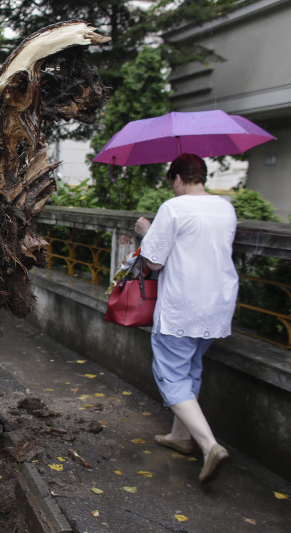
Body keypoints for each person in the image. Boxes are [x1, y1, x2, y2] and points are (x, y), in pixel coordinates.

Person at [134, 153, 238, 484]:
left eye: (173, 183)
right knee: (191, 368)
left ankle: (209, 446)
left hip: (182, 304)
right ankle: (181, 436)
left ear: (178, 178)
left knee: (170, 375)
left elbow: (154, 262)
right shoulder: (226, 208)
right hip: (218, 304)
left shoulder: (173, 208)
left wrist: (146, 231)